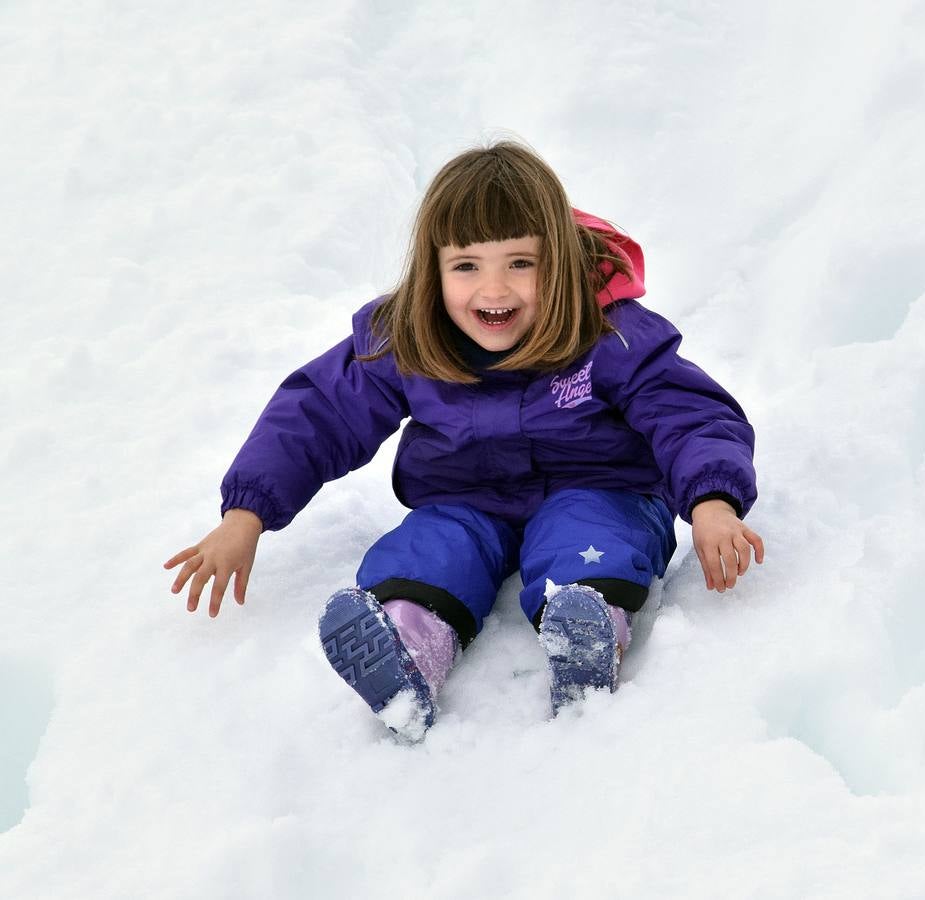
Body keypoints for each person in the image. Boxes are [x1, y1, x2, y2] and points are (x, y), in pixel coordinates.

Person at [164, 141, 764, 741]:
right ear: (434, 268)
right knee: (432, 548)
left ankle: (587, 624)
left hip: (602, 487)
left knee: (591, 534)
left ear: (556, 259)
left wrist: (712, 500)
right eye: (467, 266)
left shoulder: (606, 331)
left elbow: (688, 412)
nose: (494, 289)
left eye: (521, 263)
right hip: (466, 498)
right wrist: (247, 512)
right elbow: (319, 411)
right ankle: (405, 641)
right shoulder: (410, 337)